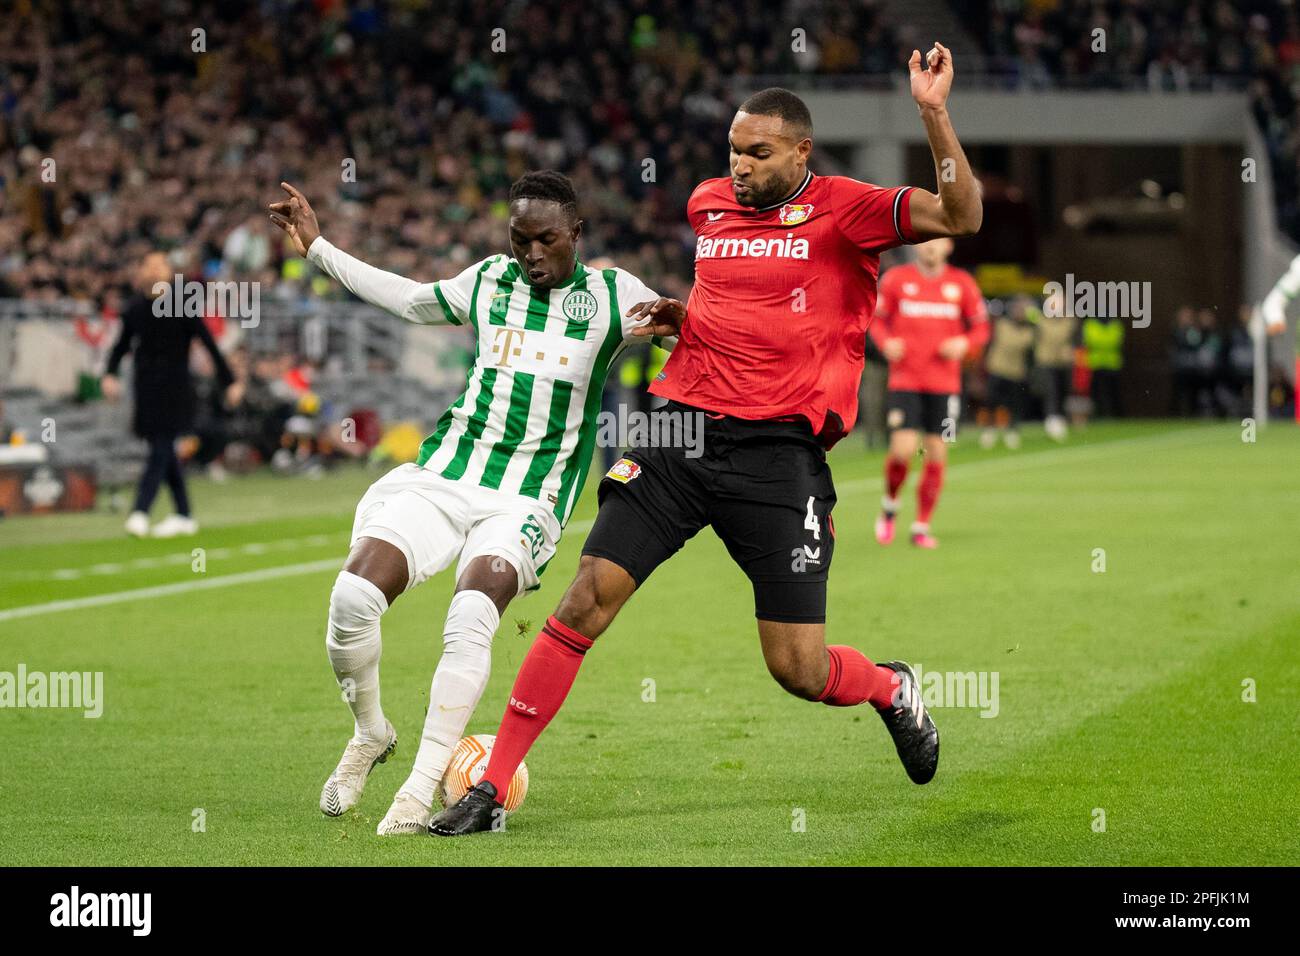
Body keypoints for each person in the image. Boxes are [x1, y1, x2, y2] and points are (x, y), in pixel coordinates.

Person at [432, 42, 983, 836]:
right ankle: (492, 782)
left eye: (758, 154)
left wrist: (932, 112)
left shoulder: (847, 208)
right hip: (679, 430)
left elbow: (961, 216)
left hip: (778, 456)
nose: (740, 167)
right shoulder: (706, 206)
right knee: (587, 597)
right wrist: (688, 324)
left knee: (797, 667)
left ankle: (892, 689)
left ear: (801, 151)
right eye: (733, 150)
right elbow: (734, 302)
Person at [268, 173, 683, 834]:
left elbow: (692, 342)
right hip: (445, 473)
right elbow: (409, 300)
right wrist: (319, 248)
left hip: (528, 495)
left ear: (576, 233)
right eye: (520, 240)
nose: (531, 254)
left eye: (546, 240)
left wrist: (685, 326)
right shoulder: (490, 281)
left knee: (470, 614)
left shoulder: (613, 296)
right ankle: (371, 732)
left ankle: (421, 786)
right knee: (351, 599)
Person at [102, 252, 238, 537]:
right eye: (149, 265)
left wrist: (230, 381)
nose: (155, 270)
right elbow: (121, 345)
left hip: (175, 388)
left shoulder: (182, 304)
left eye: (160, 265)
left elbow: (208, 343)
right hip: (145, 387)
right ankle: (184, 514)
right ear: (141, 272)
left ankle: (141, 510)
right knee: (163, 449)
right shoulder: (135, 307)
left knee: (160, 447)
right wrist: (110, 374)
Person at [870, 237, 987, 549]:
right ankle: (890, 505)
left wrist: (965, 343)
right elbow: (876, 321)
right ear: (915, 246)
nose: (930, 247)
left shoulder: (961, 283)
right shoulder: (897, 280)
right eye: (924, 241)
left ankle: (921, 525)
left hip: (945, 385)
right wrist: (886, 343)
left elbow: (980, 327)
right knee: (902, 451)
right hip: (905, 381)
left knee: (936, 452)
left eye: (936, 241)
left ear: (949, 246)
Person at [979, 295, 1038, 450]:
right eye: (1018, 309)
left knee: (1015, 404)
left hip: (1016, 372)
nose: (1020, 312)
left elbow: (1032, 354)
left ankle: (1012, 431)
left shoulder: (1031, 330)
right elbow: (989, 343)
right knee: (992, 401)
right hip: (997, 368)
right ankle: (989, 431)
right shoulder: (1001, 324)